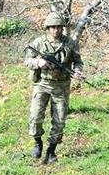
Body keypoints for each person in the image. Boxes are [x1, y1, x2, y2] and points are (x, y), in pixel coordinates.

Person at [24, 12, 84, 164]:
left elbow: (78, 61)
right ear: (48, 28)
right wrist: (39, 63)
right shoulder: (39, 43)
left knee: (59, 120)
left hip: (61, 85)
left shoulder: (70, 43)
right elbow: (27, 60)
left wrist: (77, 71)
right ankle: (38, 142)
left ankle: (51, 150)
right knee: (35, 116)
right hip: (42, 84)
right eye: (53, 27)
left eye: (59, 27)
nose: (56, 30)